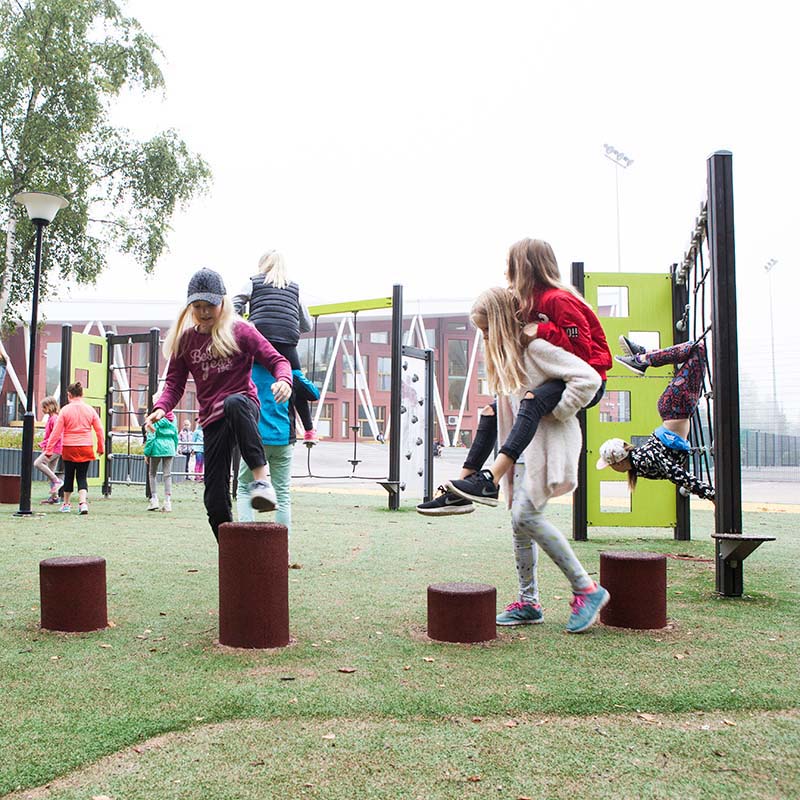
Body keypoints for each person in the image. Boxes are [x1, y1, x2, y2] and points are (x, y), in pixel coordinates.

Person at [418, 239, 611, 516]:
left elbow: (581, 354)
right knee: (489, 411)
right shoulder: (528, 303)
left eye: (510, 266)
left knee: (531, 400)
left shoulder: (558, 300)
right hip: (557, 379)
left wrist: (543, 331)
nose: (506, 272)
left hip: (588, 379)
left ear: (524, 267)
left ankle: (490, 479)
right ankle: (460, 490)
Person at [470, 288, 609, 633]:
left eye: (487, 330)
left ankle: (586, 588)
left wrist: (557, 410)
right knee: (519, 524)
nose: (485, 337)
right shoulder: (510, 360)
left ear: (502, 324)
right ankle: (529, 602)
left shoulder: (536, 348)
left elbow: (588, 379)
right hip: (521, 455)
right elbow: (508, 412)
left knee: (526, 516)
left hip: (546, 447)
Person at [144, 268, 293, 540]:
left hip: (243, 407)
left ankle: (262, 481)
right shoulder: (186, 341)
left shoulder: (240, 330)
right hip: (212, 421)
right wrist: (160, 409)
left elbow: (278, 360)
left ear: (222, 303)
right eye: (197, 307)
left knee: (234, 402)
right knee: (213, 499)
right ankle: (232, 554)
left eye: (209, 305)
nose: (204, 312)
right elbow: (174, 384)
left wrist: (284, 380)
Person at [596, 337, 715, 501]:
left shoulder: (644, 459)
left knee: (698, 349)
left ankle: (642, 359)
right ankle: (644, 356)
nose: (611, 469)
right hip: (678, 407)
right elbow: (674, 472)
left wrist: (711, 495)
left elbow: (676, 474)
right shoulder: (641, 464)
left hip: (675, 406)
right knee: (696, 351)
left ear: (619, 462)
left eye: (610, 465)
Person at [233, 250, 318, 443]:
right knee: (294, 382)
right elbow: (307, 325)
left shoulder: (253, 282)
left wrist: (244, 324)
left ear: (263, 265)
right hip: (287, 345)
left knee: (248, 379)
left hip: (259, 341)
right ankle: (309, 430)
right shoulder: (294, 288)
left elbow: (233, 305)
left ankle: (247, 426)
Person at [236, 364, 320, 553]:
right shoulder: (287, 372)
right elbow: (313, 393)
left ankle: (248, 546)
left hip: (255, 439)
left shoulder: (247, 369)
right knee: (282, 493)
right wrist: (297, 372)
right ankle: (282, 550)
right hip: (283, 438)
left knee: (244, 487)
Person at [45, 381, 104, 515]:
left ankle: (66, 504)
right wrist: (100, 447)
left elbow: (56, 432)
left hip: (69, 447)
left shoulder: (65, 410)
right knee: (82, 476)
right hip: (86, 446)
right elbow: (99, 430)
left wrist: (49, 449)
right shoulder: (90, 409)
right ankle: (83, 503)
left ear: (69, 395)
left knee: (69, 476)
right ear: (82, 394)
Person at [144, 397, 179, 512]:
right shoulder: (173, 418)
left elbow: (151, 436)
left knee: (152, 473)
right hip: (169, 448)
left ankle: (154, 499)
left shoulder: (155, 418)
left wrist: (147, 453)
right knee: (167, 475)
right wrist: (174, 448)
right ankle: (168, 502)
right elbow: (175, 435)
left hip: (156, 448)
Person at [34, 396, 63, 503]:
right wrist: (44, 444)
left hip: (54, 448)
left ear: (50, 407)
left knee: (38, 463)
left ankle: (57, 481)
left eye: (44, 407)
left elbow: (57, 435)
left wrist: (46, 445)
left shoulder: (54, 419)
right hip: (55, 448)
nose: (42, 409)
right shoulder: (51, 419)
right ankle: (54, 498)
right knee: (51, 471)